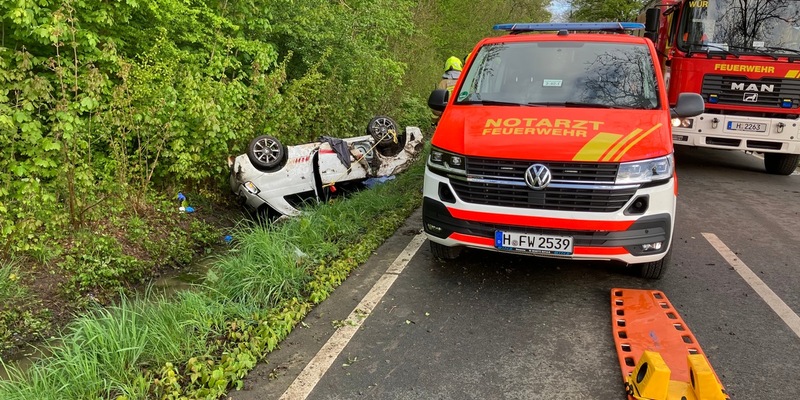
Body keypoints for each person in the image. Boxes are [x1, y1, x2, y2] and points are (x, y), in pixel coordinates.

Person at [432, 56, 463, 125]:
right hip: (463, 119)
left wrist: (435, 119)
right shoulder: (466, 82)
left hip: (447, 119)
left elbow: (437, 107)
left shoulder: (443, 83)